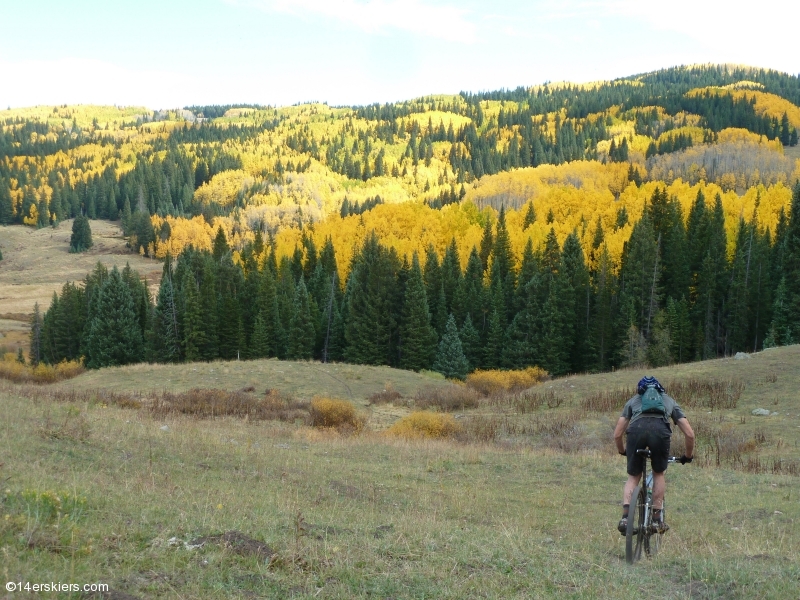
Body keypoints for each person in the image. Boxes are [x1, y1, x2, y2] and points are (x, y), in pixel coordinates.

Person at [613, 376, 695, 534]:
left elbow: (617, 434)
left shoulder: (633, 401)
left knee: (633, 476)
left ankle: (625, 518)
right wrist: (688, 456)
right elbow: (690, 434)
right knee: (658, 473)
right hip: (660, 432)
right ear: (660, 389)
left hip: (636, 431)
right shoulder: (668, 401)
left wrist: (622, 450)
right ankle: (657, 520)